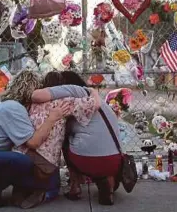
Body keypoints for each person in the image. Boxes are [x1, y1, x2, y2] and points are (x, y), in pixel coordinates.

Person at [0, 70, 70, 208]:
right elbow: (33, 142)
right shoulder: (14, 108)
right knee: (22, 162)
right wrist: (52, 118)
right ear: (31, 91)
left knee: (25, 162)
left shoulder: (7, 104)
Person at [32, 71, 122, 205]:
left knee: (66, 140)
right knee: (94, 141)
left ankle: (75, 187)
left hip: (87, 159)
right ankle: (106, 181)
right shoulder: (94, 99)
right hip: (116, 160)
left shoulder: (72, 92)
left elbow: (36, 96)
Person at [14, 71, 101, 201]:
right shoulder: (63, 102)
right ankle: (44, 194)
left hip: (21, 153)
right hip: (44, 161)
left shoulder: (31, 103)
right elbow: (96, 104)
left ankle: (25, 188)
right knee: (54, 189)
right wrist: (93, 91)